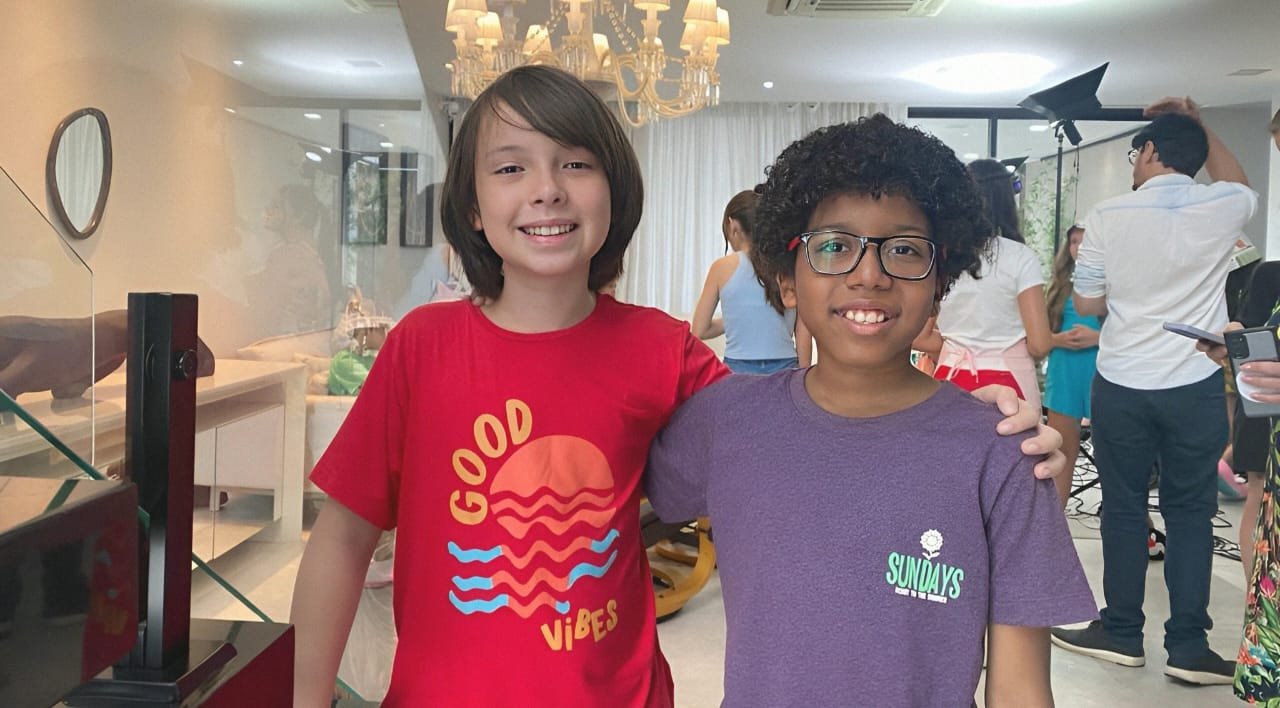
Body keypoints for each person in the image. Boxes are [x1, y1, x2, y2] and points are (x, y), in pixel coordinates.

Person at [288, 66, 1063, 707]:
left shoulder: (661, 351)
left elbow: (806, 426)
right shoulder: (422, 346)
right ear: (472, 206)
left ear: (615, 191)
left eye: (576, 163)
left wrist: (967, 419)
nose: (547, 189)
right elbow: (343, 538)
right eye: (511, 166)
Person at [645, 115, 1095, 706]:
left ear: (939, 283)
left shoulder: (1004, 453)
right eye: (834, 246)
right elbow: (601, 516)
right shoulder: (723, 421)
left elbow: (1021, 690)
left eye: (904, 250)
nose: (869, 275)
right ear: (787, 282)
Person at [1050, 96, 1258, 685]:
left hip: (1122, 383)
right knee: (1191, 512)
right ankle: (1190, 648)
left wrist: (1129, 288)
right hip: (1194, 382)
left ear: (1149, 152)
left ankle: (1121, 633)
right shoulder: (1223, 205)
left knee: (1122, 507)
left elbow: (1089, 303)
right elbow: (1239, 181)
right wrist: (1199, 124)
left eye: (1135, 153)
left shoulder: (1109, 214)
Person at [922, 158, 1053, 411]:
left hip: (951, 376)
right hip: (1009, 379)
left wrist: (957, 345)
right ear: (1007, 200)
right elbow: (1040, 344)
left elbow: (919, 338)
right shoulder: (1020, 257)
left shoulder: (945, 256)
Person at [691, 190, 811, 373]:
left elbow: (699, 330)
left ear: (733, 225)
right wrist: (803, 374)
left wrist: (735, 319)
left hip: (737, 370)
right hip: (785, 368)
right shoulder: (787, 263)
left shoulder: (721, 268)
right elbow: (802, 327)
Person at [1043, 223, 1101, 506]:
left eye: (1084, 241)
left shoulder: (1115, 283)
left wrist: (1098, 338)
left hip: (1102, 370)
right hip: (1064, 371)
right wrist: (1058, 339)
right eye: (1074, 242)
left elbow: (1134, 332)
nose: (1078, 247)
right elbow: (1038, 335)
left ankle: (1138, 522)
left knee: (1114, 456)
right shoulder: (1059, 285)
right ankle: (1055, 523)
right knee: (1061, 454)